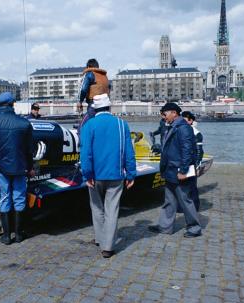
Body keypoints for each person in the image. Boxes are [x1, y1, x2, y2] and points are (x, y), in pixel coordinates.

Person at [80, 94, 136, 258]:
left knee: (96, 207)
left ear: (95, 108)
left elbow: (85, 153)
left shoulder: (89, 125)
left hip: (95, 175)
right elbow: (128, 152)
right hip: (116, 174)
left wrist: (87, 174)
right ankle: (108, 247)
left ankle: (99, 238)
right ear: (109, 107)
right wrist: (131, 174)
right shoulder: (121, 124)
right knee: (112, 209)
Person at [0, 92, 34, 245]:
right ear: (13, 104)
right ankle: (19, 234)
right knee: (19, 199)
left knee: (4, 199)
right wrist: (30, 167)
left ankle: (6, 236)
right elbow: (29, 149)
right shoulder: (24, 123)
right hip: (19, 168)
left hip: (1, 169)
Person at [148, 103, 202, 238]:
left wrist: (183, 170)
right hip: (170, 170)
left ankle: (194, 228)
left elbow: (187, 150)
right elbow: (172, 147)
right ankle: (165, 226)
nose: (163, 117)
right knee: (169, 200)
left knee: (185, 199)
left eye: (164, 114)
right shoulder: (172, 126)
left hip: (179, 170)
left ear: (173, 113)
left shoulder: (183, 128)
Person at [77, 58, 109, 131]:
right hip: (106, 107)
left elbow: (83, 89)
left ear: (88, 67)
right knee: (100, 128)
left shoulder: (89, 74)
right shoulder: (105, 76)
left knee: (82, 128)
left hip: (94, 105)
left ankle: (82, 141)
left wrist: (80, 101)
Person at [182, 111, 203, 211]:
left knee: (192, 186)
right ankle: (182, 206)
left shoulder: (196, 133)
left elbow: (200, 150)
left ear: (191, 121)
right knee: (182, 186)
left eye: (185, 120)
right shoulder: (181, 131)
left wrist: (197, 164)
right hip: (183, 162)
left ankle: (195, 207)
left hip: (192, 163)